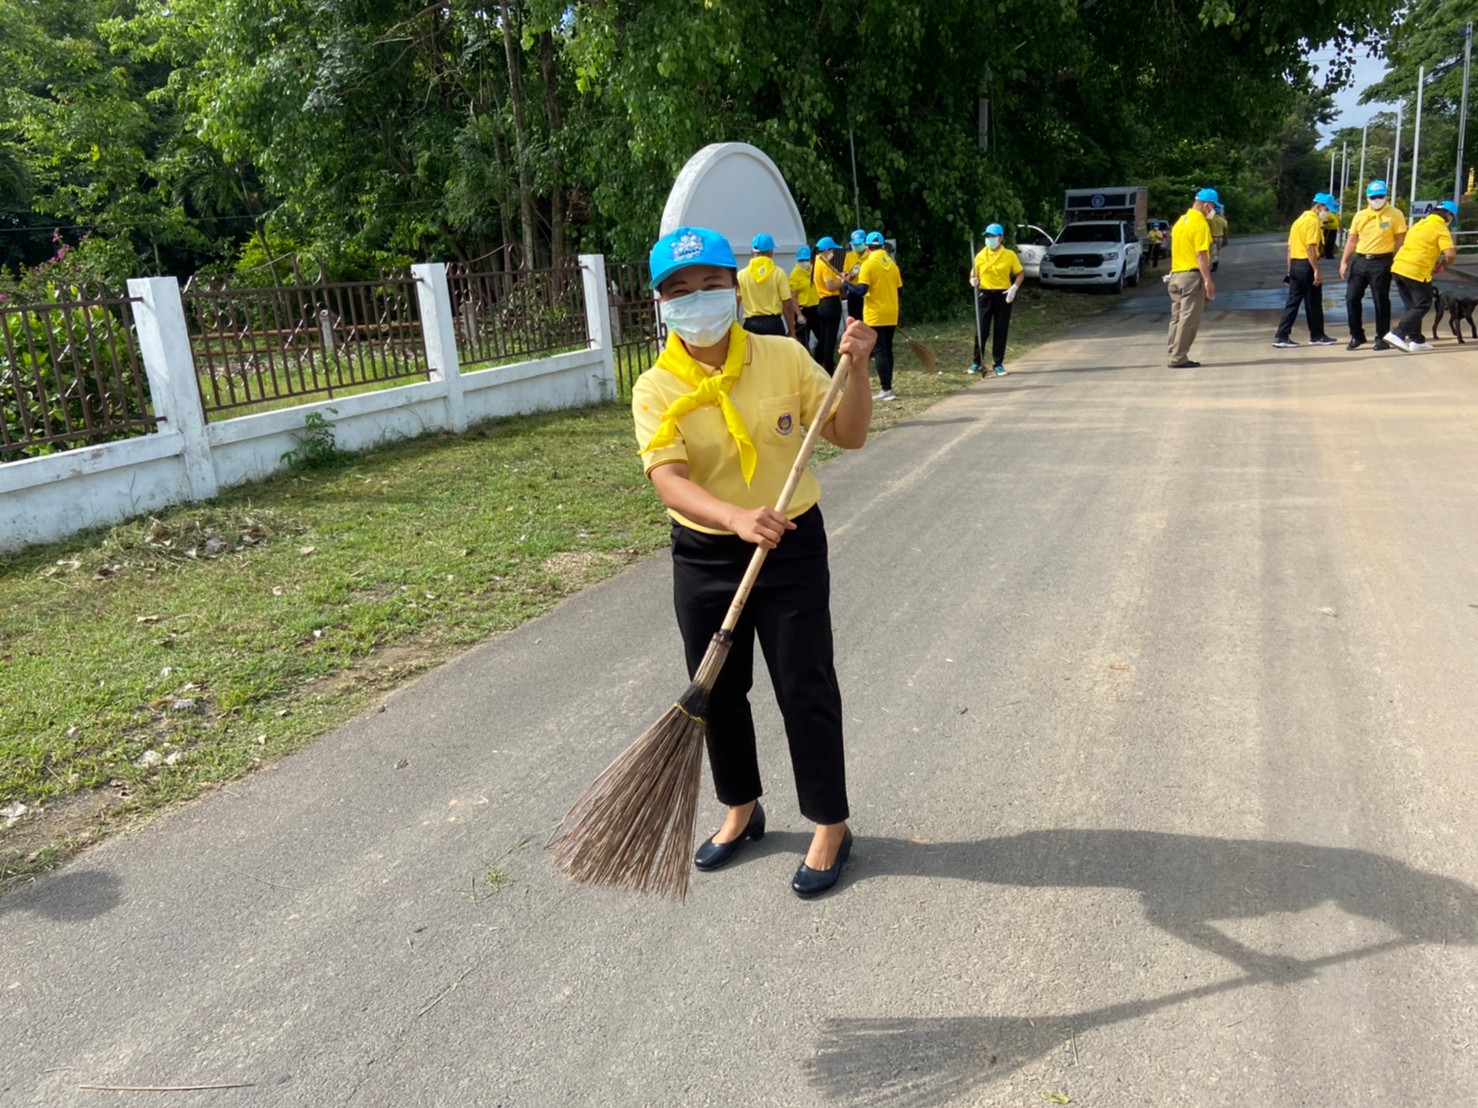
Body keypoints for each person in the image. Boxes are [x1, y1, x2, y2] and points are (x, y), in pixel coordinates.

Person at [632, 226, 876, 898]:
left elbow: (850, 434)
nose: (698, 298)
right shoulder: (654, 387)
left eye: (710, 283)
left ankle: (830, 822)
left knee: (804, 684)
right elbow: (669, 478)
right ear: (662, 303)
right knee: (717, 689)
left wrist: (855, 371)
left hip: (791, 543)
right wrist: (737, 518)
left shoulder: (784, 357)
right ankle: (740, 807)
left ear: (733, 286)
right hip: (707, 552)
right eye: (680, 290)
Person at [1339, 180, 1407, 351]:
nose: (1377, 199)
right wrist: (1344, 261)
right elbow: (1352, 239)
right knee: (1351, 298)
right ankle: (1357, 335)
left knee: (1381, 300)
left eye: (1380, 196)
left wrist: (1396, 259)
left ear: (1386, 196)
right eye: (1373, 196)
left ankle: (1382, 337)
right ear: (1367, 198)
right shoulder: (1360, 215)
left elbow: (1400, 239)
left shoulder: (1395, 214)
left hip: (1382, 261)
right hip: (1361, 260)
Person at [1386, 199, 1458, 352]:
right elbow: (1450, 254)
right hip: (1416, 270)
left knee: (1412, 306)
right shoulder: (1440, 227)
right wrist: (1443, 264)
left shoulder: (1419, 224)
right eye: (1452, 218)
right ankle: (1398, 333)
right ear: (1449, 215)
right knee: (1423, 303)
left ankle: (1417, 340)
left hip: (1399, 267)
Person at [1272, 193, 1339, 349]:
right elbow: (1310, 248)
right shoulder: (1312, 222)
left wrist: (1290, 270)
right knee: (1313, 301)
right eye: (1327, 209)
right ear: (1319, 206)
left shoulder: (1298, 221)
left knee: (1294, 301)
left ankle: (1285, 334)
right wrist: (1316, 270)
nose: (1327, 213)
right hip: (1306, 264)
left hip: (1296, 264)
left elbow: (1290, 248)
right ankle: (1314, 335)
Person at [1166, 188, 1219, 368]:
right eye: (1213, 207)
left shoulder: (1181, 222)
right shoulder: (1200, 224)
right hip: (1192, 276)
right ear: (1206, 205)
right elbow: (1201, 255)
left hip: (1176, 275)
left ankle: (1173, 351)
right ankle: (1179, 357)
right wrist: (1207, 280)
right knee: (1189, 319)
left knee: (1177, 318)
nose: (1214, 211)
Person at [967, 222, 1024, 376]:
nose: (989, 239)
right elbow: (974, 274)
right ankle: (977, 362)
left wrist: (1014, 288)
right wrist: (974, 280)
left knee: (1000, 329)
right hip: (985, 295)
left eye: (992, 236)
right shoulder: (980, 255)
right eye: (987, 236)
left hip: (1003, 295)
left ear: (1000, 238)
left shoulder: (1009, 255)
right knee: (982, 330)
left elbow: (1020, 273)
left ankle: (998, 363)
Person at [854, 231, 903, 400]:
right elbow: (899, 290)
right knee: (887, 349)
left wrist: (847, 286)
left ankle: (886, 389)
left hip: (875, 313)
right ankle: (889, 386)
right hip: (891, 312)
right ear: (882, 246)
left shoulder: (868, 265)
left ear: (867, 248)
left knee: (879, 351)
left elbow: (862, 290)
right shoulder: (892, 264)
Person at [736, 233, 796, 337]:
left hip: (751, 325)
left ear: (752, 252)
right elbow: (787, 305)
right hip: (774, 324)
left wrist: (736, 327)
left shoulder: (741, 275)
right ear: (771, 252)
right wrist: (792, 330)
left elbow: (735, 303)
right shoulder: (778, 273)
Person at [810, 236, 846, 375]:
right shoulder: (823, 264)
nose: (833, 253)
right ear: (826, 251)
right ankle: (829, 369)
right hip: (830, 303)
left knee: (823, 337)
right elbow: (830, 285)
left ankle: (818, 364)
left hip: (823, 304)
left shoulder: (817, 262)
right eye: (832, 250)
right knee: (829, 339)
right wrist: (842, 281)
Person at [789, 244, 820, 352]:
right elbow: (793, 297)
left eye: (806, 259)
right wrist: (799, 315)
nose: (804, 262)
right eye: (801, 260)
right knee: (803, 343)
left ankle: (819, 361)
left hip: (816, 308)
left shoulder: (813, 270)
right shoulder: (795, 274)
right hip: (803, 310)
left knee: (823, 338)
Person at [842, 229, 868, 322]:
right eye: (855, 244)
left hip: (867, 292)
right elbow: (845, 277)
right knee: (853, 319)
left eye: (859, 244)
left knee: (866, 320)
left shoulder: (870, 256)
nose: (857, 246)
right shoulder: (849, 256)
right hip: (853, 291)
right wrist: (851, 274)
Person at [1207, 204, 1229, 272]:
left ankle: (1213, 266)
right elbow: (1225, 230)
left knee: (1212, 252)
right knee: (1217, 252)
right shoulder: (1222, 220)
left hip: (1212, 237)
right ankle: (1215, 264)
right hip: (1220, 237)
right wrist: (1226, 239)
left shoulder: (1209, 219)